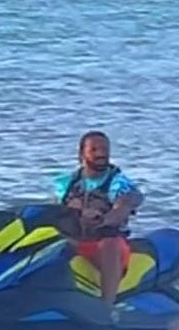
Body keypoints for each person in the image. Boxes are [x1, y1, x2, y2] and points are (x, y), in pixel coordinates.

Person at [53, 131, 144, 305]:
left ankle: (107, 305)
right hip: (75, 240)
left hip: (106, 244)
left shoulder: (119, 183)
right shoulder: (67, 183)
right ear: (81, 154)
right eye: (94, 149)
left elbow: (124, 206)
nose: (101, 154)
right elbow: (54, 211)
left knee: (110, 243)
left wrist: (103, 219)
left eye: (104, 149)